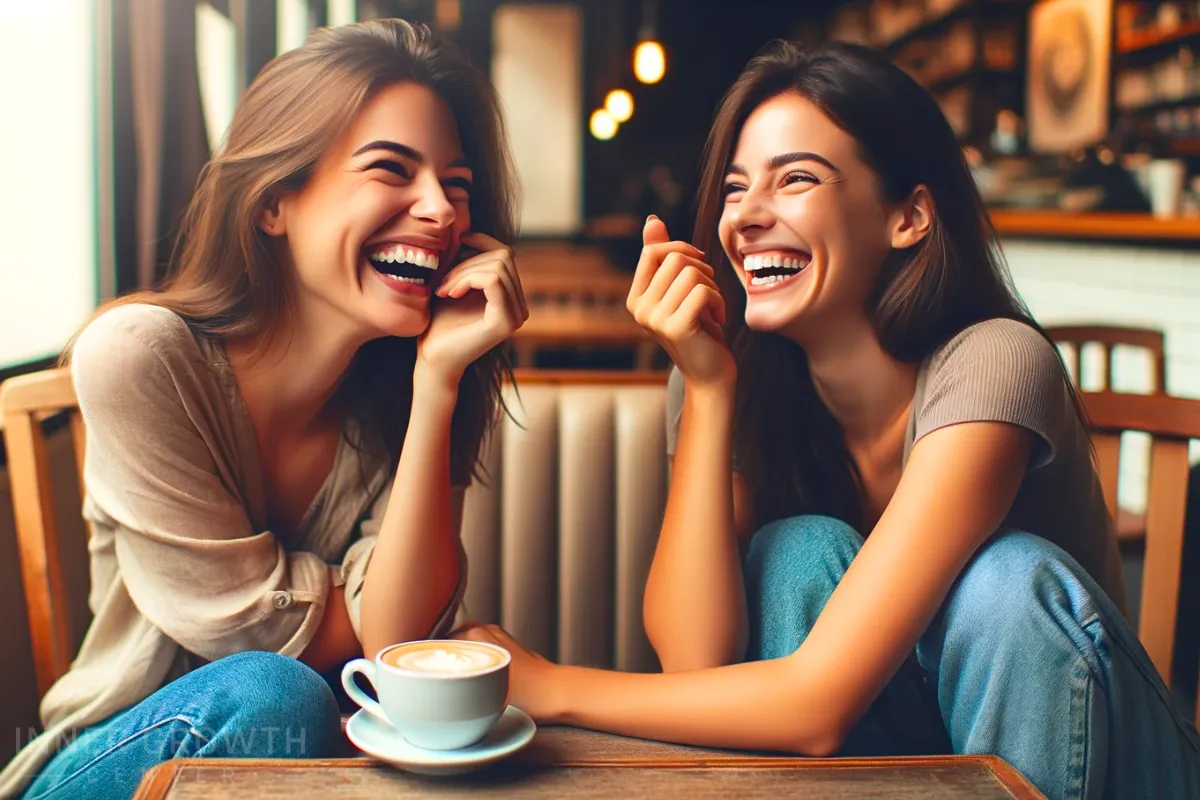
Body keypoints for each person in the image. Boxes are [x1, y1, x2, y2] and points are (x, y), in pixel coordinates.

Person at [455, 40, 1200, 800]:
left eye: (796, 179)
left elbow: (815, 705)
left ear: (908, 217)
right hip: (927, 771)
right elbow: (696, 662)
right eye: (736, 188)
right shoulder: (728, 375)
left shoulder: (994, 362)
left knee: (1003, 585)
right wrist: (709, 391)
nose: (745, 216)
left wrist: (552, 686)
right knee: (796, 552)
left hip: (1120, 771)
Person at [3, 19, 527, 800]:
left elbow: (396, 640)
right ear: (273, 201)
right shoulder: (140, 354)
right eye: (392, 169)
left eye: (456, 185)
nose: (443, 212)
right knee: (274, 693)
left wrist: (441, 385)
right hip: (110, 760)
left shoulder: (415, 390)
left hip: (297, 772)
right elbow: (261, 653)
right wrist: (350, 605)